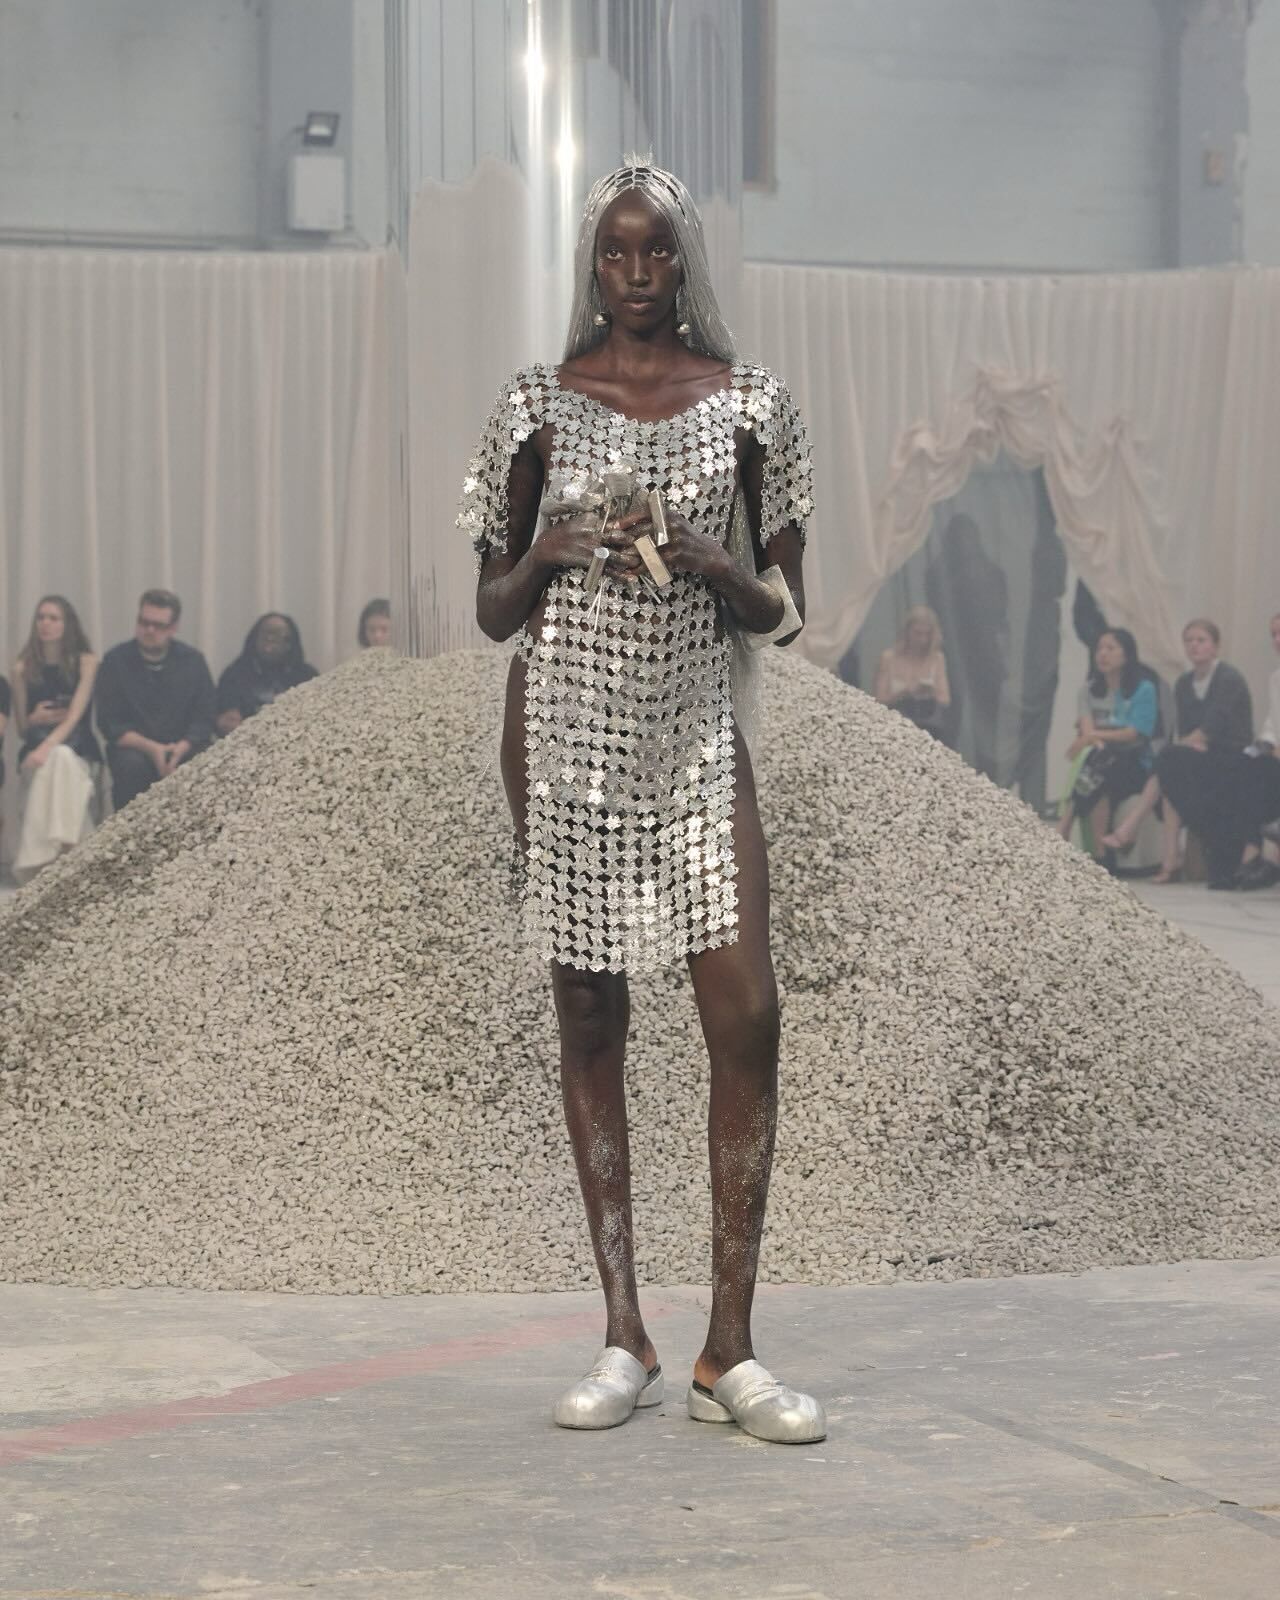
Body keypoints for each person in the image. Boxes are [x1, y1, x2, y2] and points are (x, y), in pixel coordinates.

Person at [458, 159, 824, 1445]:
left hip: (695, 738)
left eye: (654, 252)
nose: (632, 274)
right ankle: (625, 1331)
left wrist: (720, 564)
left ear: (684, 262)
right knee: (589, 1011)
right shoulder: (533, 403)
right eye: (613, 253)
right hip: (562, 736)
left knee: (746, 1010)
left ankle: (731, 1346)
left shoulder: (752, 405)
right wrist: (548, 552)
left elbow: (788, 612)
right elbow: (488, 608)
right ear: (590, 264)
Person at [95, 590, 215, 811]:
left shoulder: (192, 661)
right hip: (136, 747)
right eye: (144, 622)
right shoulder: (116, 661)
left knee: (204, 762)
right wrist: (153, 749)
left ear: (173, 628)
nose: (149, 630)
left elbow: (205, 716)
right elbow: (109, 722)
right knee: (132, 766)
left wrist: (181, 747)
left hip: (184, 745)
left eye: (158, 625)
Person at [10, 596, 102, 880]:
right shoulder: (22, 668)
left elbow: (75, 715)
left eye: (53, 618)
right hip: (36, 747)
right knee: (54, 762)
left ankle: (38, 861)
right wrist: (35, 719)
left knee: (60, 757)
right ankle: (71, 851)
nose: (45, 624)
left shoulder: (87, 662)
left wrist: (47, 747)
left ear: (67, 624)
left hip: (77, 748)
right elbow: (22, 729)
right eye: (41, 617)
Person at [1056, 629, 1156, 862]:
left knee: (1098, 762)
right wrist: (1092, 738)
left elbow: (1133, 734)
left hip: (1134, 764)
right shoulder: (1088, 691)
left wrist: (1092, 737)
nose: (1103, 654)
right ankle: (1101, 855)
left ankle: (1064, 825)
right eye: (1100, 648)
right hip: (1103, 763)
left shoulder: (1144, 689)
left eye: (1111, 648)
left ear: (1127, 654)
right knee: (1100, 768)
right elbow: (1088, 732)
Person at [1233, 611, 1280, 890]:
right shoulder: (1276, 678)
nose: (1277, 639)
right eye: (1273, 634)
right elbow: (1273, 724)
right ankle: (1253, 851)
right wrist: (1267, 745)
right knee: (1247, 765)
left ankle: (1269, 859)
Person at [215, 613, 317, 737]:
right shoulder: (234, 674)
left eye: (277, 635)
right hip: (246, 741)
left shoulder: (306, 676)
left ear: (290, 643)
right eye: (265, 634)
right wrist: (225, 721)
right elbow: (222, 714)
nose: (270, 639)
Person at [873, 606, 951, 738]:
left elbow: (945, 699)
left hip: (929, 728)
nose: (922, 639)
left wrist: (930, 691)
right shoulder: (888, 659)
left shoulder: (937, 659)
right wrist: (904, 693)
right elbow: (879, 699)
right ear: (907, 632)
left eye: (927, 634)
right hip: (895, 728)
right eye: (917, 633)